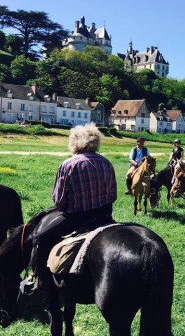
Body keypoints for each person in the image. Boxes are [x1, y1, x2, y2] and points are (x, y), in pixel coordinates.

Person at [26, 123, 117, 293]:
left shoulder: (68, 165)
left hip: (77, 219)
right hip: (105, 217)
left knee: (39, 238)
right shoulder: (106, 162)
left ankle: (41, 281)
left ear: (75, 142)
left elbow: (59, 201)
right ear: (95, 141)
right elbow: (113, 196)